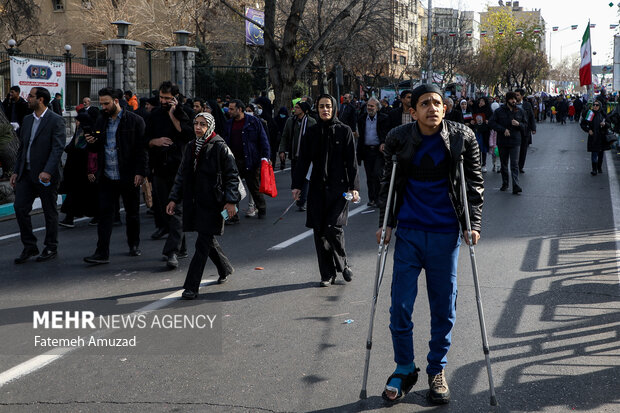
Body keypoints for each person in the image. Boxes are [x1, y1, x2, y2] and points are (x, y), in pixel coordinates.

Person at [377, 83, 483, 405]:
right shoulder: (399, 138)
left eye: (437, 103)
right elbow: (388, 184)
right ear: (413, 110)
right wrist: (386, 223)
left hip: (444, 235)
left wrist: (473, 223)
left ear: (445, 108)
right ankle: (405, 367)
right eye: (425, 104)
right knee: (400, 306)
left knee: (443, 307)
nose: (432, 109)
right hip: (409, 233)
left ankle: (437, 369)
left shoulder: (463, 138)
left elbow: (474, 183)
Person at [167, 112, 240, 300]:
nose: (198, 127)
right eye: (196, 123)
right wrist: (174, 198)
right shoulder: (191, 146)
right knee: (207, 240)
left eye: (203, 124)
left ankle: (191, 286)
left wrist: (231, 201)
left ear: (210, 126)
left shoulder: (220, 147)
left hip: (215, 204)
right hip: (195, 202)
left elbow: (232, 176)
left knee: (202, 244)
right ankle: (225, 268)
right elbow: (181, 175)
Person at [292, 94, 359, 287]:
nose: (325, 110)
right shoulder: (311, 133)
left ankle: (343, 263)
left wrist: (354, 188)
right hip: (317, 188)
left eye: (328, 106)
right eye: (321, 106)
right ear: (317, 109)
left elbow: (352, 163)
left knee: (333, 227)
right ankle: (327, 274)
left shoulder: (344, 131)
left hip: (339, 189)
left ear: (334, 108)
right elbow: (303, 161)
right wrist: (296, 186)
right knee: (320, 232)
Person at [83, 87, 148, 264]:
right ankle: (101, 252)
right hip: (106, 176)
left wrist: (140, 172)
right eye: (101, 103)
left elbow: (141, 150)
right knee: (104, 215)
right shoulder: (100, 121)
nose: (103, 107)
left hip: (128, 175)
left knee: (132, 213)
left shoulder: (135, 121)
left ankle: (134, 244)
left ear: (116, 102)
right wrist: (91, 142)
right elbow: (97, 147)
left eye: (106, 103)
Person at [10, 87, 65, 263]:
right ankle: (29, 246)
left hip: (45, 175)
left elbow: (57, 149)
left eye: (31, 96)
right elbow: (22, 148)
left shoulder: (55, 120)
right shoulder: (26, 120)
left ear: (40, 100)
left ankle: (51, 246)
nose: (28, 99)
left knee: (49, 212)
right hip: (26, 174)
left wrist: (47, 171)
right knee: (20, 208)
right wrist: (16, 171)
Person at [146, 81, 193, 269]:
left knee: (176, 210)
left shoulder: (186, 112)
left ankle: (171, 251)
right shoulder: (154, 115)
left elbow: (189, 135)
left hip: (179, 169)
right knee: (165, 210)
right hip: (159, 168)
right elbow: (144, 139)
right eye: (161, 98)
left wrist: (174, 115)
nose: (163, 101)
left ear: (175, 97)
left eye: (167, 98)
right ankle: (180, 247)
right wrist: (154, 142)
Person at [224, 99, 271, 223]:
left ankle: (261, 208)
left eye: (232, 109)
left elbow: (263, 140)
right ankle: (232, 215)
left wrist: (265, 158)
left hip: (251, 161)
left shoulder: (253, 122)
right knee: (232, 189)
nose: (229, 111)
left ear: (239, 109)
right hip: (233, 161)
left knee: (253, 186)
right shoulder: (229, 124)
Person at [58, 112, 99, 228]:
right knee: (75, 194)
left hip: (84, 170)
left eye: (78, 121)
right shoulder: (79, 132)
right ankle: (69, 218)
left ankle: (95, 215)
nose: (76, 123)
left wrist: (91, 171)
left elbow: (92, 152)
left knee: (86, 195)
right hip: (75, 170)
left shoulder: (90, 132)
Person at [279, 101, 316, 211]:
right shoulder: (291, 121)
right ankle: (300, 198)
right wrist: (282, 150)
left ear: (304, 110)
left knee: (305, 179)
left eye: (298, 108)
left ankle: (302, 201)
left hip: (307, 157)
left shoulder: (311, 122)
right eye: (295, 107)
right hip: (294, 155)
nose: (295, 109)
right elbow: (284, 136)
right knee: (295, 178)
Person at [489, 91, 527, 195]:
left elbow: (525, 125)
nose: (514, 101)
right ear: (507, 100)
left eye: (515, 99)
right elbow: (492, 123)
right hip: (503, 141)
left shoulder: (520, 111)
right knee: (504, 164)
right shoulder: (499, 111)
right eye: (511, 99)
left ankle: (516, 186)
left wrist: (519, 124)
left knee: (514, 164)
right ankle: (505, 183)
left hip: (515, 141)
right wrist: (502, 129)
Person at [356, 97, 389, 207]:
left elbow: (385, 133)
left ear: (377, 108)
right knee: (369, 176)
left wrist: (383, 142)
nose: (369, 108)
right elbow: (360, 137)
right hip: (366, 151)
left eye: (372, 106)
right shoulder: (362, 119)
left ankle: (379, 198)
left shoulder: (384, 118)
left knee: (377, 174)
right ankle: (372, 199)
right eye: (368, 106)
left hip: (378, 151)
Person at [580, 100, 610, 175]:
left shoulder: (603, 114)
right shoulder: (590, 114)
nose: (595, 106)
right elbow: (583, 124)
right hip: (593, 137)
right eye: (594, 105)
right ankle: (594, 169)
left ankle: (599, 167)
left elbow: (609, 124)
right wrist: (588, 130)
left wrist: (605, 124)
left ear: (600, 106)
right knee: (594, 153)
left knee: (600, 153)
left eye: (597, 105)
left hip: (602, 137)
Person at [514, 89, 536, 173]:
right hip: (514, 130)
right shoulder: (512, 104)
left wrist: (533, 128)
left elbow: (531, 117)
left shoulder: (527, 105)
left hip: (525, 130)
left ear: (522, 96)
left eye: (518, 95)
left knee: (523, 150)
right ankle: (514, 165)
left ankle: (520, 166)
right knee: (514, 149)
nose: (516, 97)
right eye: (515, 95)